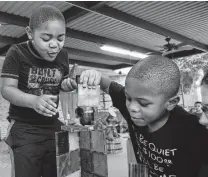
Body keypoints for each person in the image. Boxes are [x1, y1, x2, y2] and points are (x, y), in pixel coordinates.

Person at [80, 55, 208, 177]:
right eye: (128, 98)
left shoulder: (193, 130)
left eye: (144, 104)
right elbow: (107, 84)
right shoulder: (134, 101)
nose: (132, 108)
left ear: (171, 103)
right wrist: (93, 75)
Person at [0, 5, 77, 177]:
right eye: (46, 38)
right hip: (24, 128)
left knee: (58, 172)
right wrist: (33, 101)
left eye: (60, 38)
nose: (54, 45)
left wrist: (66, 85)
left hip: (53, 127)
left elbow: (62, 82)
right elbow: (7, 89)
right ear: (30, 33)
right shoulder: (17, 53)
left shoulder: (63, 55)